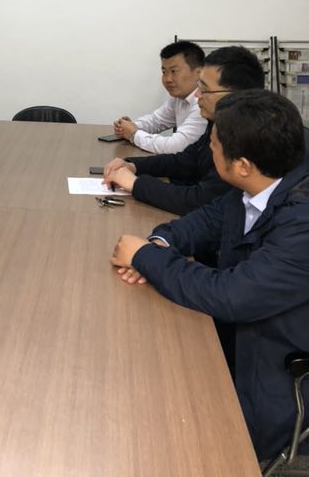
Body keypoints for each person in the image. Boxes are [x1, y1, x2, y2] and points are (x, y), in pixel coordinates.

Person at [110, 90, 309, 462]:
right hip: (236, 338)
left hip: (275, 375)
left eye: (214, 145)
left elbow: (233, 295)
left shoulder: (302, 223)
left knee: (160, 434)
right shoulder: (258, 183)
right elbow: (206, 221)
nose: (209, 151)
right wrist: (158, 243)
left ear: (242, 165)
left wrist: (145, 258)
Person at [103, 46, 265, 216]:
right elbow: (186, 160)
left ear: (234, 95)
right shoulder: (218, 122)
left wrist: (135, 184)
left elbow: (199, 200)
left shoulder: (247, 140)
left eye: (204, 89)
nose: (197, 95)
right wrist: (133, 165)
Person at [113, 40, 206, 154]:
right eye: (164, 72)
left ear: (199, 73)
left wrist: (134, 134)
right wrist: (130, 126)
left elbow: (176, 146)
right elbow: (156, 120)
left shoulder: (204, 102)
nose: (168, 79)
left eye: (174, 71)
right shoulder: (179, 97)